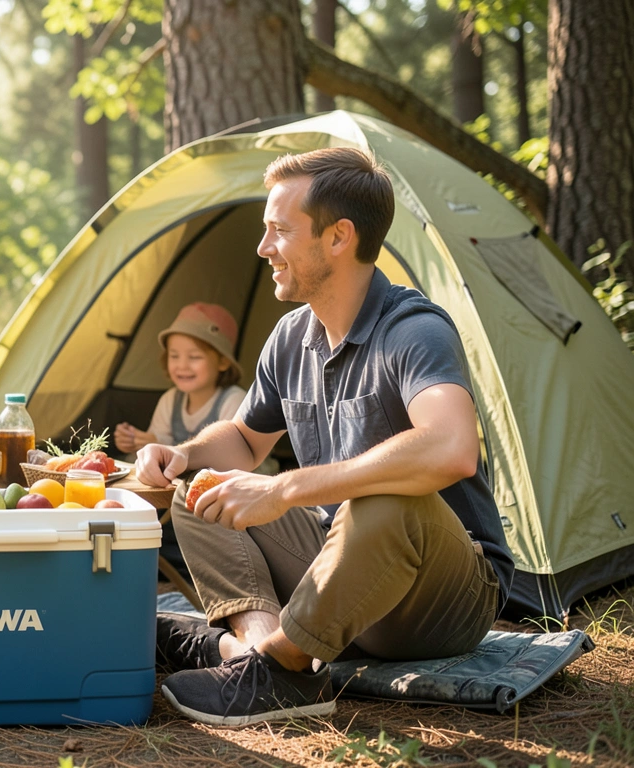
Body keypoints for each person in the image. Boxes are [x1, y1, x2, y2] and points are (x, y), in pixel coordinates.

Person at [136, 147, 514, 726]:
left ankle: (278, 657)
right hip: (341, 569)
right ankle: (266, 663)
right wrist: (182, 453)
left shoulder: (414, 330)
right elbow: (243, 438)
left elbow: (451, 447)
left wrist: (283, 490)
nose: (264, 248)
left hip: (441, 594)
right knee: (203, 486)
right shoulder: (292, 336)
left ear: (338, 237)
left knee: (389, 496)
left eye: (279, 231)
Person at [114, 302, 247, 454]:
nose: (182, 365)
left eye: (195, 357)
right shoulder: (170, 400)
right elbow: (158, 441)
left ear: (223, 362)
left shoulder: (234, 402)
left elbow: (229, 458)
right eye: (174, 356)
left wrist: (165, 448)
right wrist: (137, 443)